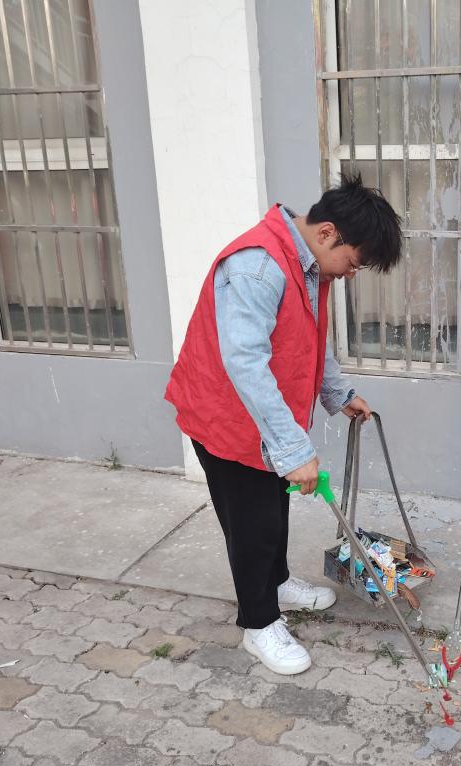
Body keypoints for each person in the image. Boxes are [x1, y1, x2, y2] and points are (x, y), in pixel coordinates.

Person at [165, 174, 401, 674]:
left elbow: (310, 336)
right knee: (251, 524)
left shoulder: (308, 263)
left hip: (264, 420)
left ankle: (276, 582)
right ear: (328, 233)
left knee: (274, 508)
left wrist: (338, 393)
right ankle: (259, 624)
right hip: (226, 418)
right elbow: (246, 361)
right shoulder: (258, 266)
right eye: (354, 263)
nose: (350, 274)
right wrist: (294, 451)